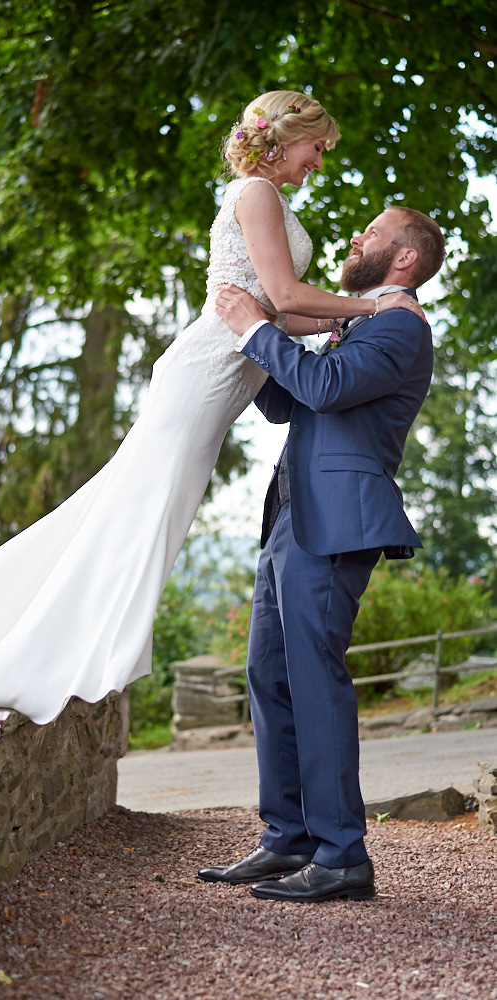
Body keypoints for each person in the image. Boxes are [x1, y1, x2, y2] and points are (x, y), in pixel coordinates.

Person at [0, 91, 421, 727]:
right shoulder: (255, 194)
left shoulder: (271, 200)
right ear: (284, 136)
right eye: (316, 149)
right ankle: (36, 655)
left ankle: (64, 644)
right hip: (203, 375)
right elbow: (280, 292)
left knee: (140, 515)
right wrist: (376, 305)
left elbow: (282, 309)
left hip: (228, 375)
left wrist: (352, 316)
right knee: (135, 513)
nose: (318, 163)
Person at [197, 205, 445, 902]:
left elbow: (325, 387)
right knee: (268, 677)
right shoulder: (360, 323)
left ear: (403, 258)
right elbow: (287, 402)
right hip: (289, 516)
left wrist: (255, 326)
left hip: (339, 522)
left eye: (371, 232)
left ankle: (341, 854)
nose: (355, 238)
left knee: (313, 679)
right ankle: (287, 839)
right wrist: (259, 335)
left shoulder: (400, 325)